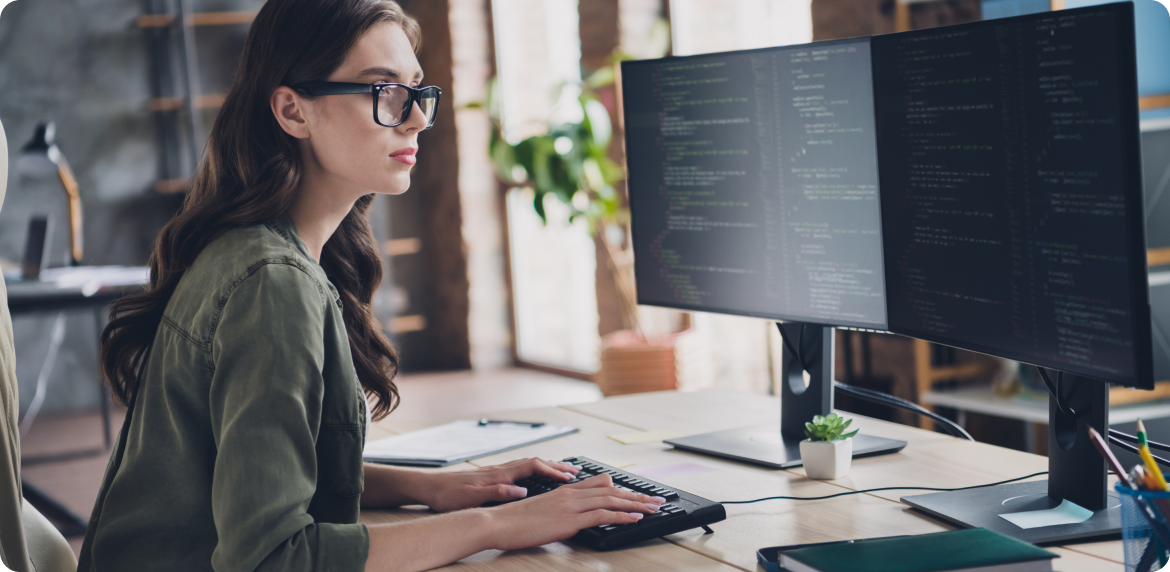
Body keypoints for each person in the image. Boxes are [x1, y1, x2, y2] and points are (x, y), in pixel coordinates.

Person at [77, 1, 663, 570]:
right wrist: (500, 525)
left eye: (418, 92)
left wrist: (438, 489)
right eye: (383, 91)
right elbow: (270, 558)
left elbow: (266, 475)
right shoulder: (271, 284)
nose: (415, 118)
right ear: (293, 111)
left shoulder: (261, 248)